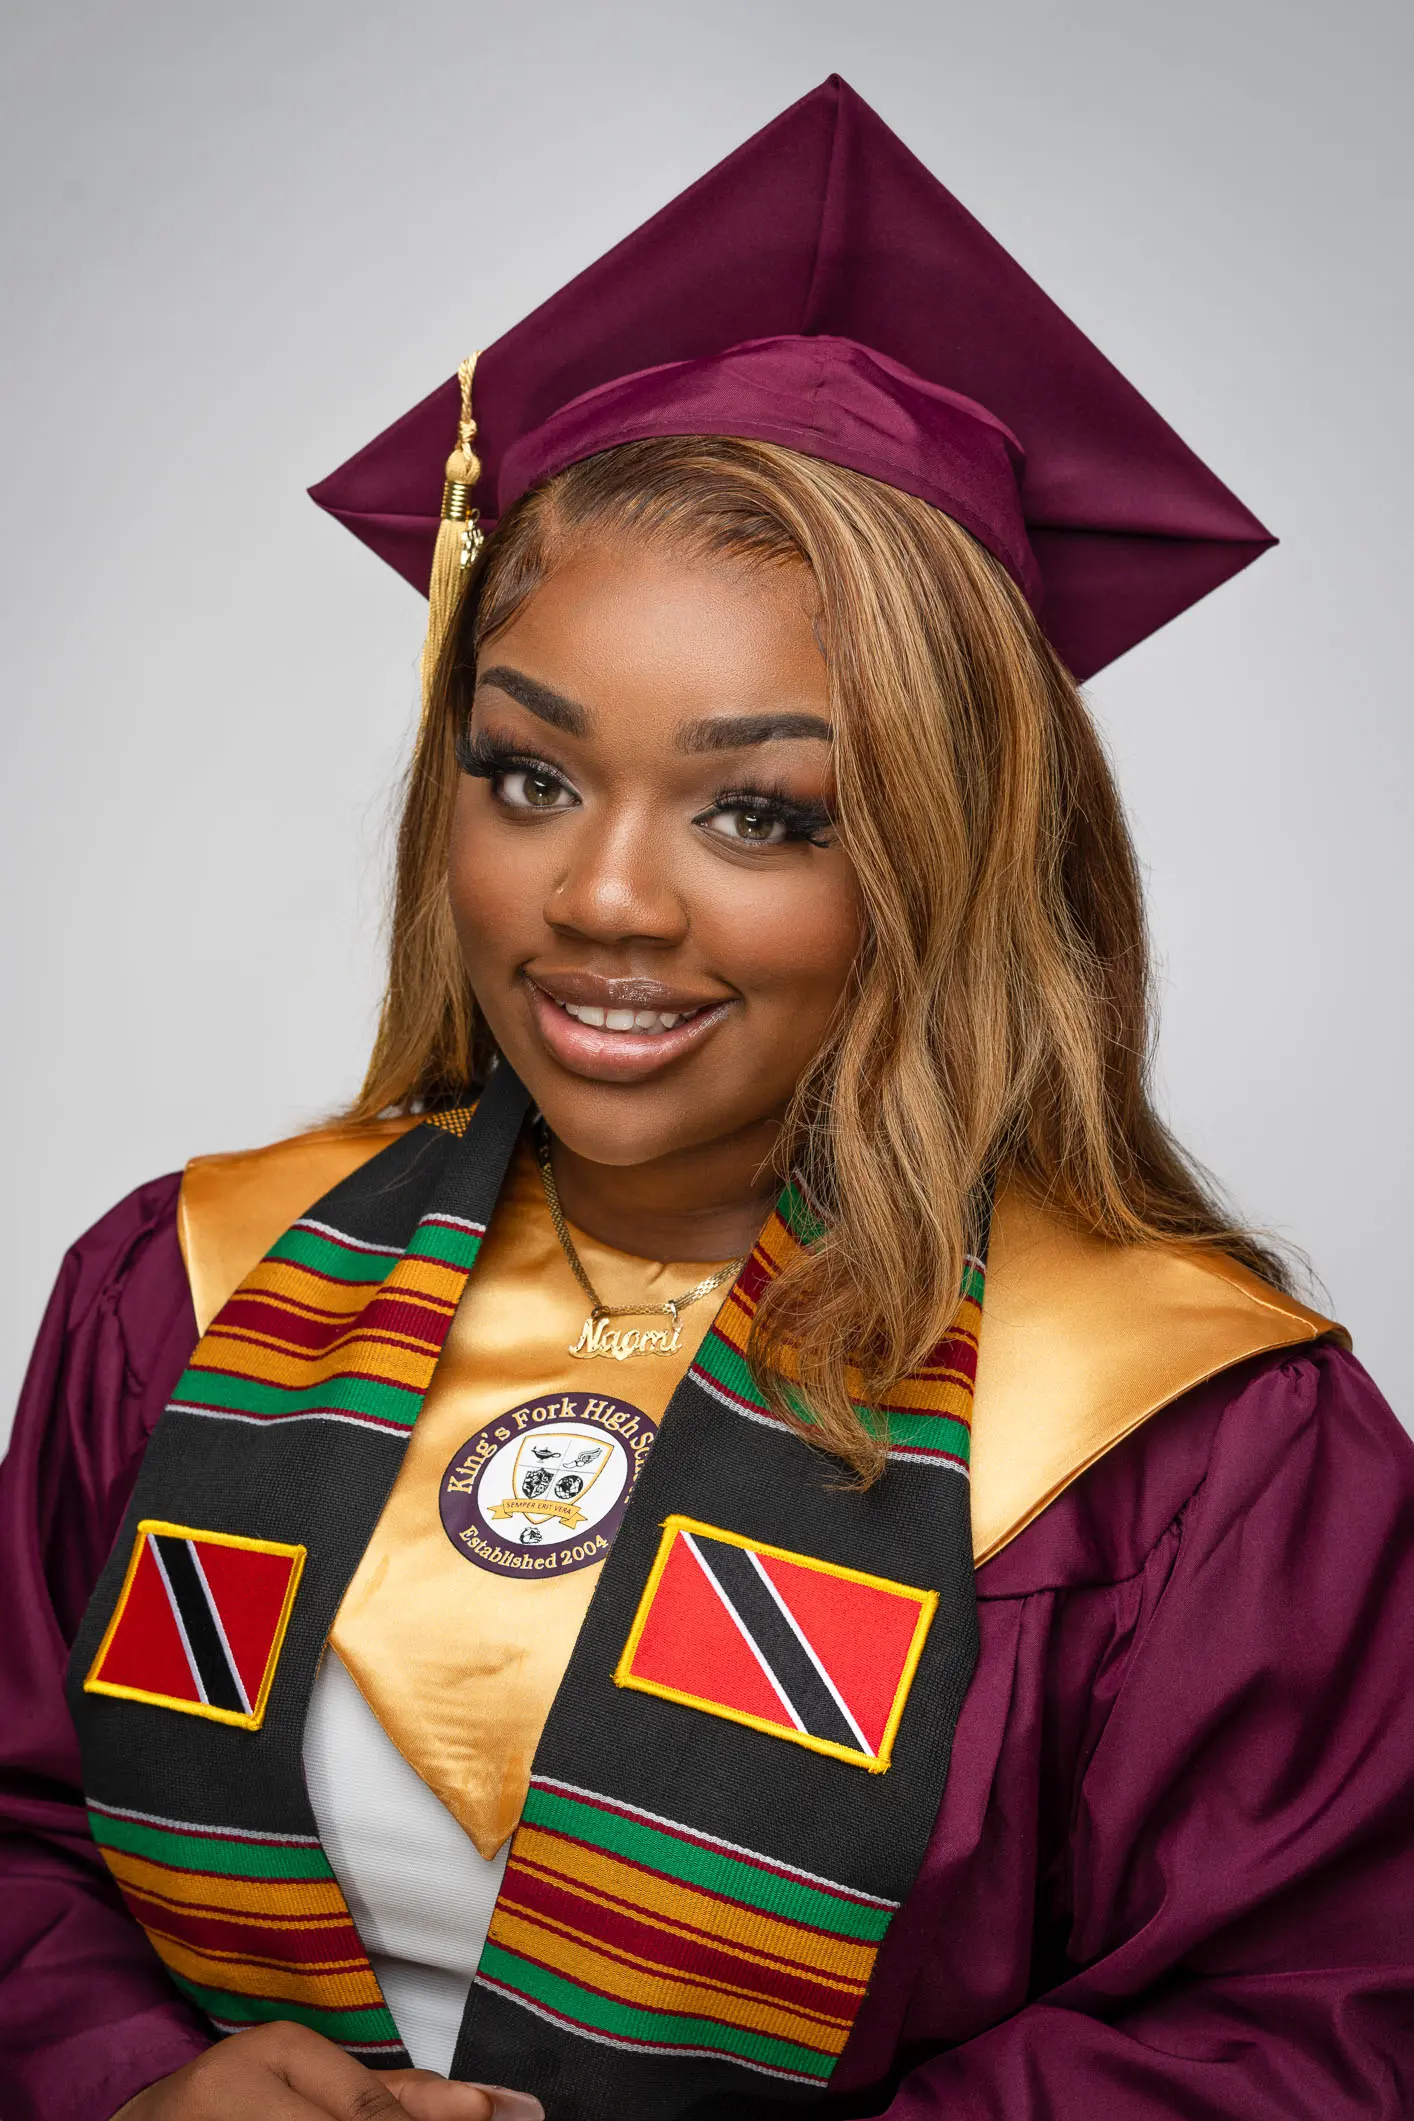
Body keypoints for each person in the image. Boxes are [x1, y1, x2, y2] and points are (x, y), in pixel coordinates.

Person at [1, 73, 1410, 2121]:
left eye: (759, 810)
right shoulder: (189, 1290)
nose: (598, 896)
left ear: (944, 852)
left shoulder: (1193, 1449)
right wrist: (141, 2087)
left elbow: (1298, 2037)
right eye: (528, 773)